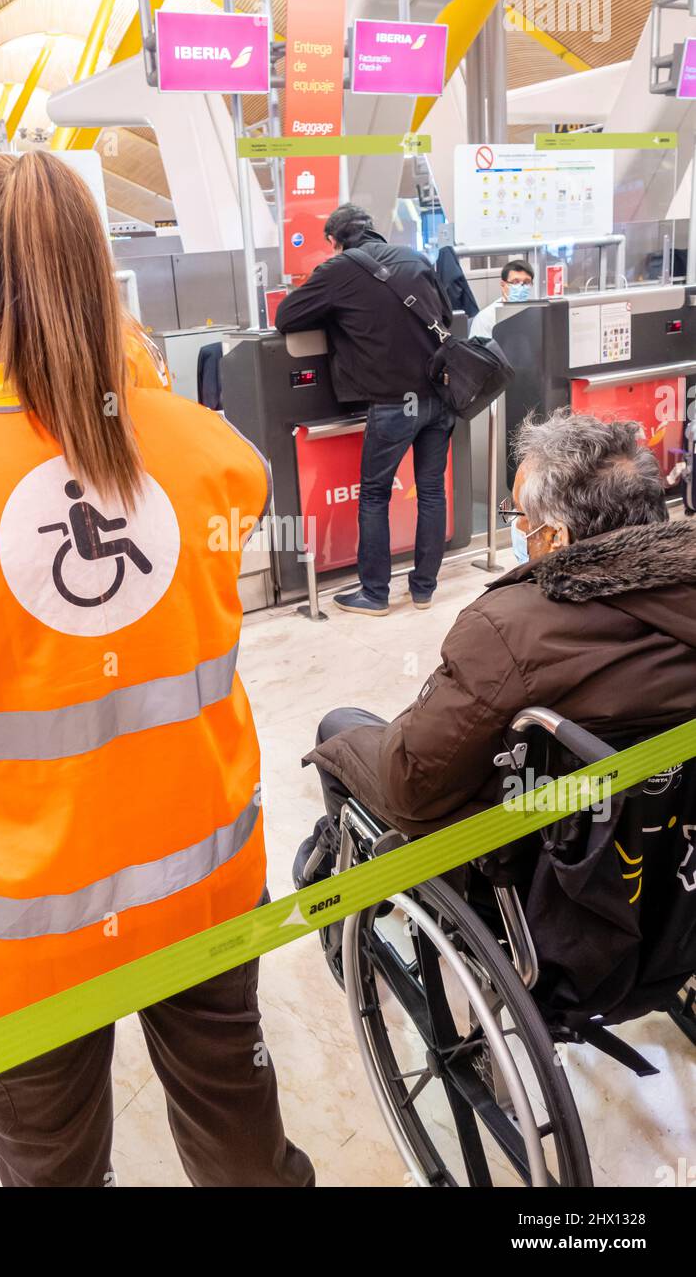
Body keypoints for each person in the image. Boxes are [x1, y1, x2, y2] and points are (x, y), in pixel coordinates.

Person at [0, 151, 312, 1189]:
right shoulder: (210, 451)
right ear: (104, 282)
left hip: (8, 934)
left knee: (47, 1170)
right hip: (200, 885)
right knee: (241, 1135)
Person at [306, 410, 696, 837]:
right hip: (661, 846)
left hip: (525, 855)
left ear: (555, 538)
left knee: (341, 728)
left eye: (521, 516)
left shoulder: (507, 629)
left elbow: (412, 788)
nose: (517, 527)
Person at [275, 204, 456, 617]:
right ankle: (423, 589)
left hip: (393, 405)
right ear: (373, 230)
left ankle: (375, 594)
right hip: (440, 397)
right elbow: (445, 315)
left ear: (334, 242)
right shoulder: (416, 257)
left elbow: (286, 318)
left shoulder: (337, 270)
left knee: (374, 496)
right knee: (431, 491)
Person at [469, 258, 534, 340]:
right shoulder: (485, 318)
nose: (521, 287)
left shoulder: (535, 314)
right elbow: (477, 351)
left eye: (526, 282)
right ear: (503, 285)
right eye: (515, 282)